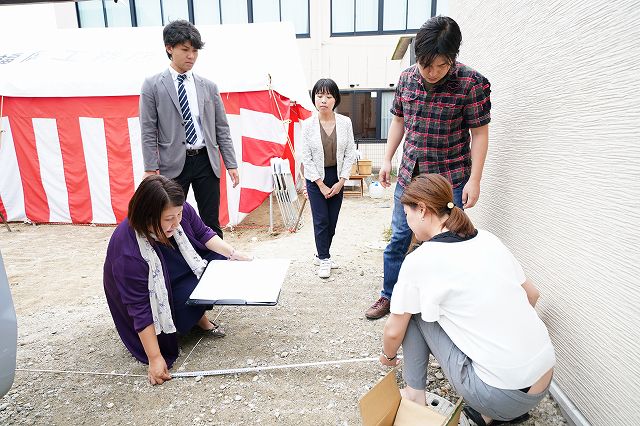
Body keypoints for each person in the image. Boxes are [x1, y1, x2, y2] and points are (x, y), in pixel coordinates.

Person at [379, 174, 555, 425]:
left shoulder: (421, 260)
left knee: (414, 313)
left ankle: (415, 398)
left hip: (501, 395)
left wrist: (388, 356)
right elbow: (532, 295)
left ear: (421, 210)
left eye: (407, 215)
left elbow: (394, 331)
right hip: (544, 379)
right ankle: (490, 413)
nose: (407, 224)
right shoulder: (488, 239)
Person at [365, 16, 491, 319]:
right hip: (410, 175)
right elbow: (398, 119)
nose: (432, 73)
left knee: (446, 243)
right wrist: (387, 159)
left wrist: (475, 180)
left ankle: (437, 306)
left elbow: (480, 133)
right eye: (425, 65)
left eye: (440, 66)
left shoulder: (472, 83)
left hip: (451, 178)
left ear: (453, 58)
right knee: (399, 237)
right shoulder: (407, 78)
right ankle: (390, 296)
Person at [103, 175, 251, 385]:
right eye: (168, 219)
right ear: (148, 215)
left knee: (219, 262)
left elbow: (202, 233)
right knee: (186, 295)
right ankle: (190, 317)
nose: (177, 222)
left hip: (176, 265)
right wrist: (155, 358)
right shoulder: (127, 250)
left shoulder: (178, 210)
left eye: (179, 214)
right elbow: (139, 306)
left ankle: (199, 318)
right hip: (153, 286)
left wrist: (233, 253)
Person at [140, 20, 239, 239]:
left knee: (211, 220)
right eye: (185, 50)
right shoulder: (153, 85)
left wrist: (231, 163)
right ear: (169, 48)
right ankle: (177, 267)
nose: (191, 56)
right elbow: (148, 130)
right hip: (172, 163)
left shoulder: (209, 86)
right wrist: (150, 168)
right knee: (170, 220)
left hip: (206, 160)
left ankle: (216, 263)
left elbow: (221, 127)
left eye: (194, 51)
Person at [301, 78, 357, 279]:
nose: (323, 100)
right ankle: (324, 258)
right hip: (316, 178)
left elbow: (350, 152)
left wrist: (342, 180)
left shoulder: (345, 122)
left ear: (335, 99)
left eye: (328, 96)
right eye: (319, 95)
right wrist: (320, 184)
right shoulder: (307, 125)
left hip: (337, 176)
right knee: (321, 220)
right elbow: (305, 157)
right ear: (314, 98)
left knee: (332, 220)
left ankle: (321, 253)